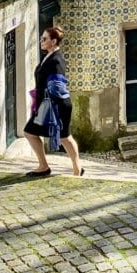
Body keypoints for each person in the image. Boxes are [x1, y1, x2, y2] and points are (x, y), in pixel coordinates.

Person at [23, 26, 84, 178]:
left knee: (64, 137)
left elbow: (57, 86)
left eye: (44, 39)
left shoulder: (56, 60)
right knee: (30, 132)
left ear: (54, 41)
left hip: (56, 105)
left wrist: (51, 108)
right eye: (42, 38)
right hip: (45, 104)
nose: (41, 41)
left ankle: (77, 169)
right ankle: (43, 166)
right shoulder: (48, 56)